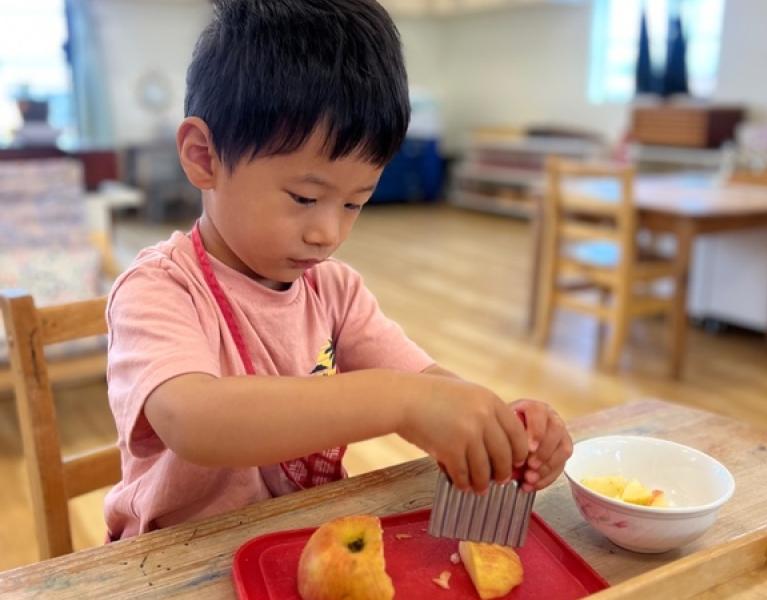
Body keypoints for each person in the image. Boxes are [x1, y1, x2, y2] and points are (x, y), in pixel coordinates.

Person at [104, 0, 573, 540]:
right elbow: (194, 421)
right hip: (175, 560)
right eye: (305, 197)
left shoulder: (335, 290)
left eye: (354, 203)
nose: (328, 233)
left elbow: (427, 385)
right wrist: (399, 401)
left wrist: (499, 424)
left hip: (302, 539)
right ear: (204, 157)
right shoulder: (158, 289)